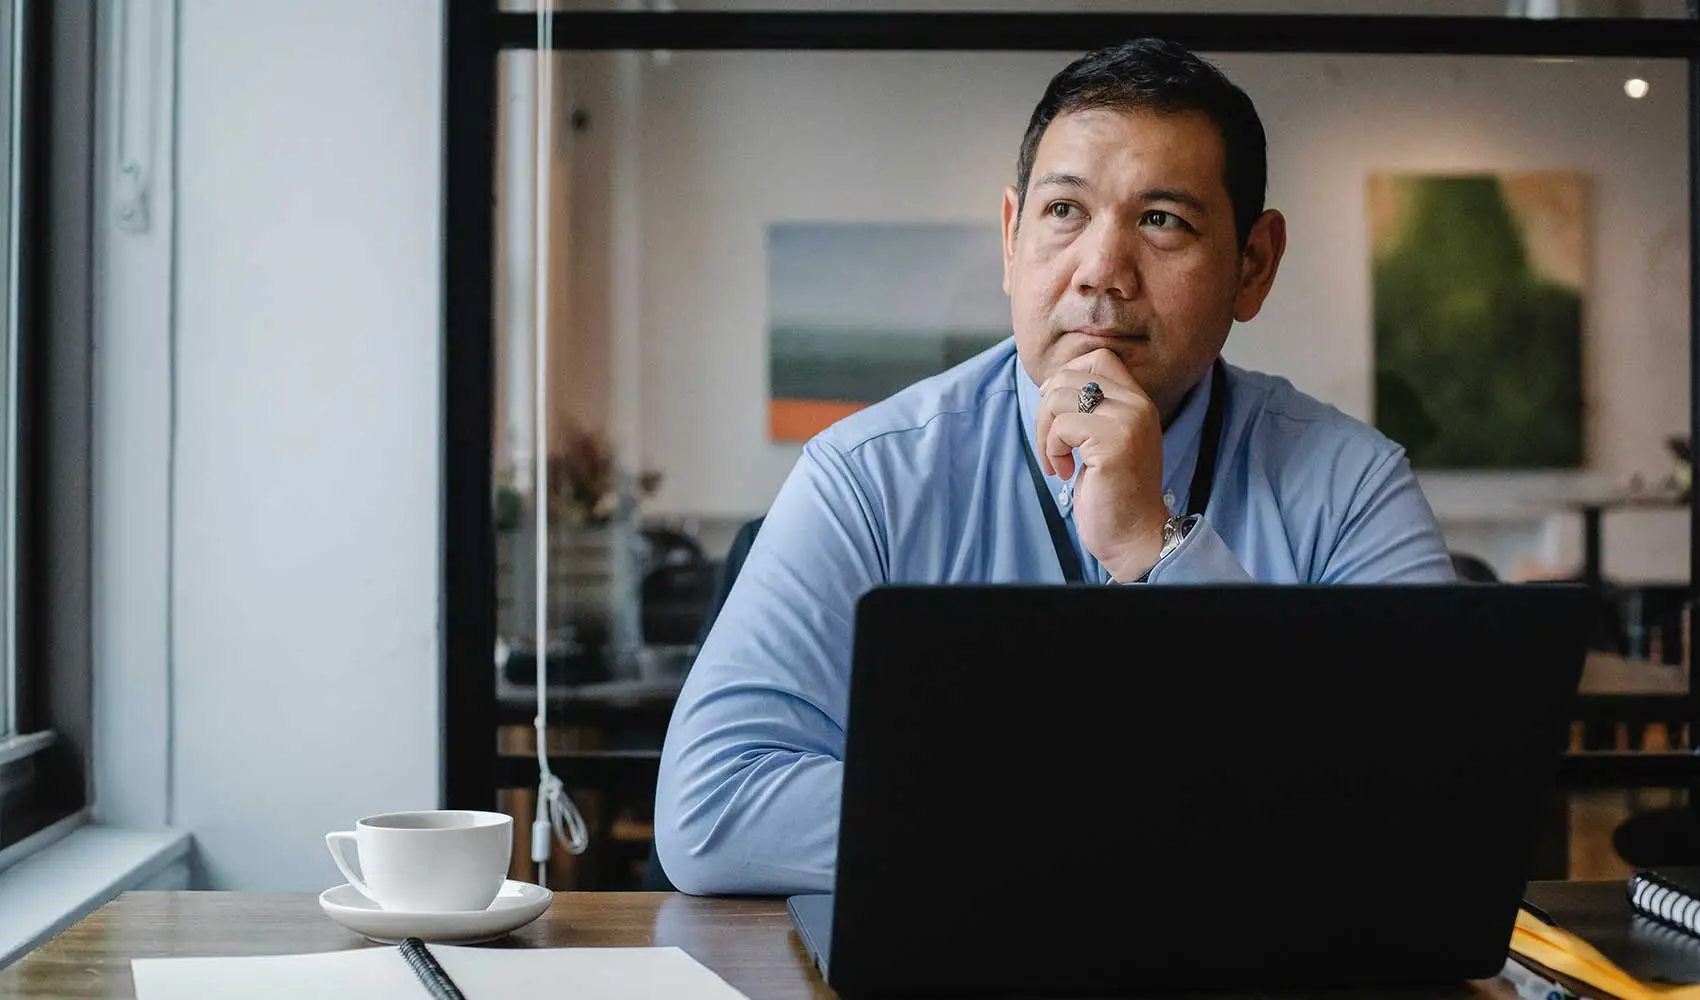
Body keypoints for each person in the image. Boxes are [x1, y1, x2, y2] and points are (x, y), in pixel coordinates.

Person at [654, 37, 1455, 896]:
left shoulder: (1350, 487)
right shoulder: (869, 476)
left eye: (1163, 221)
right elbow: (712, 807)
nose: (1102, 272)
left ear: (1252, 267)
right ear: (1012, 237)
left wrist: (1159, 549)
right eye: (1065, 212)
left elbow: (1440, 812)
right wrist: (1112, 814)